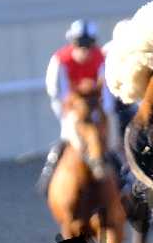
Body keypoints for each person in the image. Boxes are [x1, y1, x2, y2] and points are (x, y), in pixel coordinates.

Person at [36, 19, 120, 193]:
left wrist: (106, 112)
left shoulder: (101, 58)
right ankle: (49, 173)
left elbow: (106, 89)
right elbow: (56, 92)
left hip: (98, 107)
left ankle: (123, 176)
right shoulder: (60, 60)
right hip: (72, 108)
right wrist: (66, 115)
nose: (84, 49)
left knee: (113, 142)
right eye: (80, 44)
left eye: (88, 45)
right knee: (67, 138)